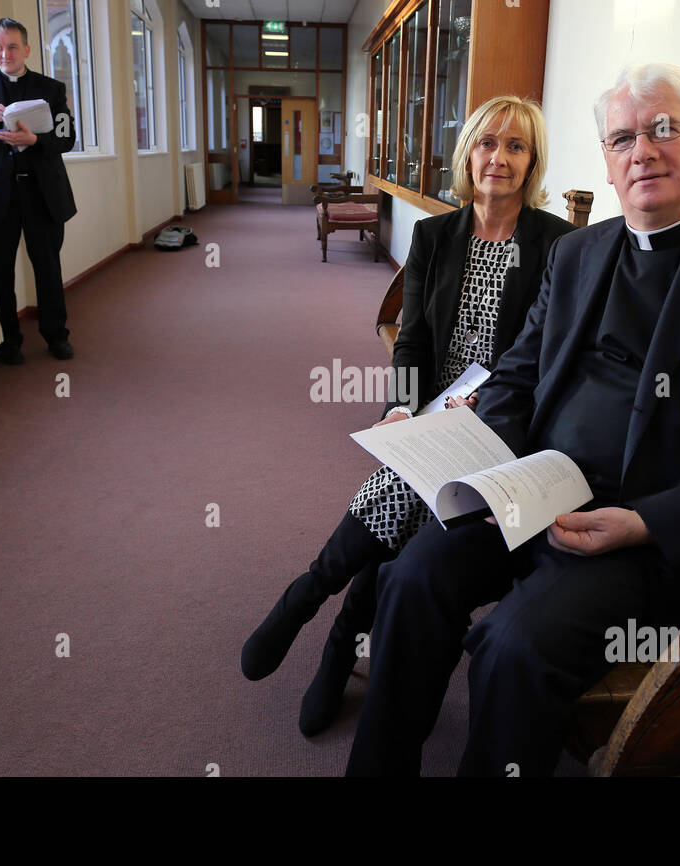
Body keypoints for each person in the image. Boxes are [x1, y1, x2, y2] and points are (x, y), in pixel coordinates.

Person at [345, 63, 680, 776]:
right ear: (607, 166)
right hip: (535, 494)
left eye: (664, 129)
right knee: (412, 576)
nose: (642, 150)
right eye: (621, 139)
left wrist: (645, 523)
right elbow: (516, 377)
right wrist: (470, 458)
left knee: (513, 646)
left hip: (652, 534)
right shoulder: (578, 253)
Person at [241, 97, 579, 737]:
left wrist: (499, 399)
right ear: (467, 153)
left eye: (515, 146)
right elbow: (414, 342)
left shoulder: (558, 247)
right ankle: (330, 622)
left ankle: (322, 614)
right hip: (433, 414)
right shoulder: (434, 237)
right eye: (486, 143)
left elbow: (549, 352)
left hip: (502, 427)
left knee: (406, 502)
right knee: (410, 491)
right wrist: (401, 407)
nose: (498, 158)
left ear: (532, 162)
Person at [0, 17, 77, 364]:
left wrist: (35, 139)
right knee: (0, 270)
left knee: (48, 268)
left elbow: (66, 136)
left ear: (26, 49)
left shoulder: (51, 88)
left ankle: (56, 336)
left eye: (11, 46)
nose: (4, 53)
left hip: (42, 193)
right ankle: (9, 341)